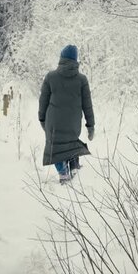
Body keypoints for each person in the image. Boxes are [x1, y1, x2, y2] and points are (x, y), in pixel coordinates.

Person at [38, 44, 95, 183]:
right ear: (75, 61)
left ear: (61, 58)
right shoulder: (82, 79)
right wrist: (90, 125)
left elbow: (43, 101)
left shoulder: (51, 76)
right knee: (71, 142)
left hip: (54, 122)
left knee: (55, 146)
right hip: (73, 123)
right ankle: (74, 166)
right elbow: (87, 105)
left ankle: (63, 173)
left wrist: (42, 119)